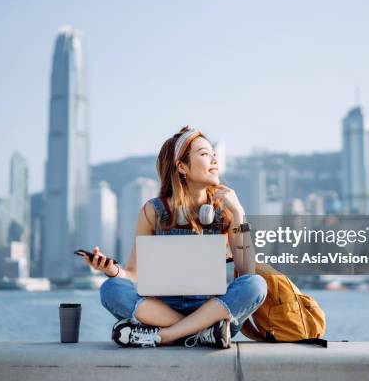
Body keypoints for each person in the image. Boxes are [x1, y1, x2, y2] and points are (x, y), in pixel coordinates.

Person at [82, 126, 267, 348]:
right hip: (163, 311)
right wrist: (112, 270)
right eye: (205, 154)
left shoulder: (225, 211)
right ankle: (202, 334)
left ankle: (165, 336)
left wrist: (239, 213)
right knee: (110, 289)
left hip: (211, 308)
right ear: (182, 166)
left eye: (214, 155)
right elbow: (133, 274)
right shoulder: (153, 211)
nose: (214, 160)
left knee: (256, 284)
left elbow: (247, 270)